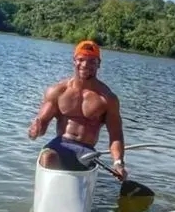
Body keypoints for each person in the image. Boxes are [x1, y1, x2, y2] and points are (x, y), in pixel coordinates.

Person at [28, 40, 128, 180]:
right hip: (60, 145)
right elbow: (42, 125)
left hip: (86, 151)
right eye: (81, 59)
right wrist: (34, 131)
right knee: (48, 156)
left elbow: (116, 135)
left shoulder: (108, 99)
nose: (86, 65)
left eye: (92, 61)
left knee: (83, 164)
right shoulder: (57, 91)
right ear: (74, 61)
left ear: (99, 64)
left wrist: (118, 163)